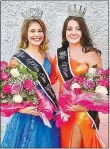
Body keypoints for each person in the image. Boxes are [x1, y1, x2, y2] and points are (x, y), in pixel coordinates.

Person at [1, 8, 60, 148]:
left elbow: (53, 83)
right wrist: (21, 109)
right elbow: (6, 93)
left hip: (47, 117)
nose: (37, 34)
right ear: (25, 34)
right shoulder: (17, 60)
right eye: (32, 31)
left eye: (40, 31)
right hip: (26, 117)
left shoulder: (48, 57)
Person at [50, 5, 105, 148]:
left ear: (83, 31)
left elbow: (101, 87)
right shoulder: (60, 55)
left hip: (83, 113)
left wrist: (85, 107)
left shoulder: (91, 54)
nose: (73, 32)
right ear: (65, 32)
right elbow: (52, 80)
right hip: (65, 112)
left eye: (77, 28)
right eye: (69, 29)